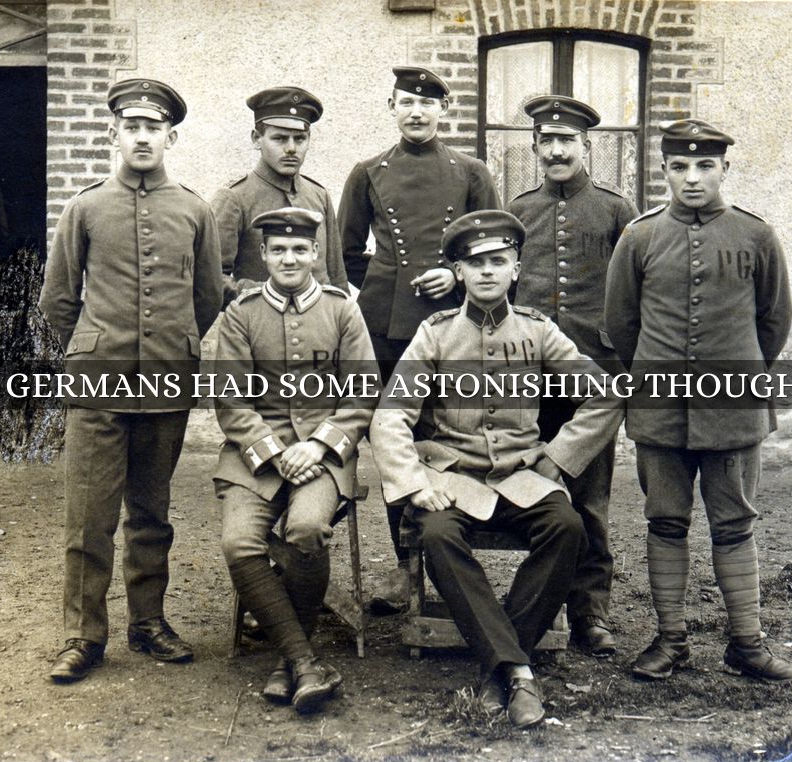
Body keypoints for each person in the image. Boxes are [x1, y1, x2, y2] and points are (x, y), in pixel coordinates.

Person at [370, 210, 623, 727]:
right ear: (458, 272)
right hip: (453, 478)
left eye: (498, 261)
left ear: (516, 269)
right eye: (476, 262)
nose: (487, 271)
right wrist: (415, 484)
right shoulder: (435, 334)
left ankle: (500, 666)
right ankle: (517, 671)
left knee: (567, 528)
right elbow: (391, 415)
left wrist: (557, 458)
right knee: (435, 534)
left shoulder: (538, 330)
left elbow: (606, 394)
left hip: (521, 477)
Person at [604, 118, 792, 683]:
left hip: (732, 411)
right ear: (664, 171)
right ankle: (670, 641)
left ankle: (747, 645)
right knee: (665, 521)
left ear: (724, 169)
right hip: (660, 409)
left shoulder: (756, 236)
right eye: (679, 166)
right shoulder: (639, 236)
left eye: (704, 166)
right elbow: (621, 323)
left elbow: (773, 322)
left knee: (734, 523)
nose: (692, 177)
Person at [40, 78, 222, 682]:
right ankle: (83, 635)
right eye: (132, 127)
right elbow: (58, 298)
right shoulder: (86, 208)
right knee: (88, 518)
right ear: (113, 134)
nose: (143, 138)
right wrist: (95, 348)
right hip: (97, 385)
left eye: (154, 128)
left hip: (167, 382)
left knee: (151, 513)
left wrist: (171, 349)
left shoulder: (194, 210)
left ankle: (148, 623)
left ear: (171, 137)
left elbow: (207, 298)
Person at [339, 66, 500, 610]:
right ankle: (405, 569)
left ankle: (450, 563)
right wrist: (388, 283)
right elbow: (345, 253)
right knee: (395, 443)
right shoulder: (367, 172)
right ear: (391, 107)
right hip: (387, 331)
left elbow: (493, 249)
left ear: (443, 110)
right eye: (406, 102)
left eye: (427, 103)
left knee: (451, 438)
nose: (416, 112)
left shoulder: (470, 171)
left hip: (453, 327)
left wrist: (454, 276)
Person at [214, 207, 376, 712]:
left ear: (315, 254)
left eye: (299, 249)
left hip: (324, 455)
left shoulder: (342, 310)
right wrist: (276, 451)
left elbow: (363, 391)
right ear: (263, 255)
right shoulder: (241, 313)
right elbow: (230, 399)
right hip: (255, 456)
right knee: (239, 543)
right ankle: (303, 661)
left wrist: (320, 445)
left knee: (306, 530)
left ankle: (291, 664)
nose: (289, 258)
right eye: (279, 250)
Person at [507, 95, 639, 657]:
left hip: (594, 375)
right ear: (535, 147)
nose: (557, 151)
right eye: (547, 142)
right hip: (531, 375)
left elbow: (636, 288)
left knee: (589, 498)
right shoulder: (519, 210)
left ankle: (590, 612)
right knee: (535, 488)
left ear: (587, 147)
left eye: (567, 141)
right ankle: (540, 603)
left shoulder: (615, 210)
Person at [211, 86, 348, 303]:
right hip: (261, 320)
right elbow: (211, 278)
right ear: (257, 139)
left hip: (322, 321)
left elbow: (337, 277)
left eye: (300, 139)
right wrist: (265, 294)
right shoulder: (235, 198)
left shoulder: (318, 195)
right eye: (280, 139)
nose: (291, 148)